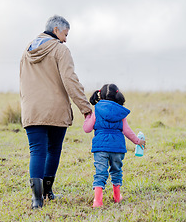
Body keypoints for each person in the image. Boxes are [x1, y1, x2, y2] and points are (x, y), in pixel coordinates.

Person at [20, 15, 92, 209]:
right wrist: (85, 107)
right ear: (56, 30)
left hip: (31, 109)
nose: (66, 39)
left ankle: (37, 200)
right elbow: (71, 80)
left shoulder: (27, 50)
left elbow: (22, 81)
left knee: (37, 152)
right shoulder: (61, 50)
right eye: (65, 34)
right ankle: (47, 192)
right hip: (55, 110)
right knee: (53, 150)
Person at [83, 83, 146, 208]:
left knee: (100, 173)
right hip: (117, 148)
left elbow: (87, 129)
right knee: (116, 171)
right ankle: (117, 197)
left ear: (100, 95)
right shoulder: (120, 112)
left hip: (100, 148)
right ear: (117, 95)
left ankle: (97, 201)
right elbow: (127, 131)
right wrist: (138, 141)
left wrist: (87, 117)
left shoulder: (97, 110)